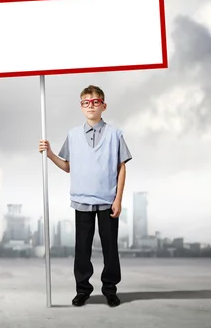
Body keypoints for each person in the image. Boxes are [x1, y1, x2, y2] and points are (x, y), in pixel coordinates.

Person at [38, 84, 131, 307]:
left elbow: (121, 167)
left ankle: (110, 289)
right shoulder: (72, 135)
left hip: (107, 200)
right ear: (81, 107)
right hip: (82, 200)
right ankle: (83, 289)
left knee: (110, 248)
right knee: (82, 249)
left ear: (103, 105)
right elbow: (67, 166)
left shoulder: (115, 134)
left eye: (95, 102)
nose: (91, 106)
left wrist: (118, 198)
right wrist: (49, 154)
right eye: (86, 103)